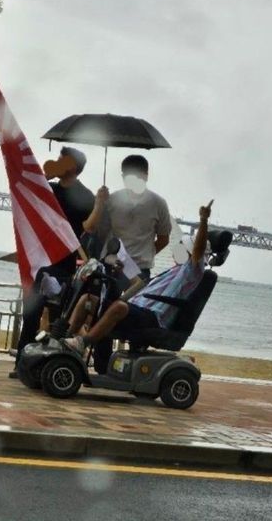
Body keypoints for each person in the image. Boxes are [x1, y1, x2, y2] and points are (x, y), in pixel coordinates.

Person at [64, 200, 213, 357]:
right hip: (138, 310)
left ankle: (83, 343)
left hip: (153, 317)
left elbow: (198, 250)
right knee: (88, 300)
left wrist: (203, 220)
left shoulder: (190, 272)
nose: (178, 248)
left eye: (182, 245)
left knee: (119, 307)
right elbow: (140, 286)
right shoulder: (172, 271)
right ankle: (65, 340)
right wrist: (122, 270)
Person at [11, 148, 95, 376]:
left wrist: (100, 203)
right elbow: (25, 193)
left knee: (58, 319)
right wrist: (45, 177)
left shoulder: (86, 197)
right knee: (30, 315)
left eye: (61, 160)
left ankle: (50, 366)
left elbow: (90, 228)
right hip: (39, 262)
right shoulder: (49, 189)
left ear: (72, 166)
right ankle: (22, 365)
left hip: (63, 264)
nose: (56, 162)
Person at [82, 154, 172, 286]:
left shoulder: (158, 204)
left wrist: (145, 255)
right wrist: (99, 204)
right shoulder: (112, 199)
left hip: (139, 270)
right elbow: (89, 228)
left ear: (146, 176)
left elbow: (164, 239)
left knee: (133, 300)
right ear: (123, 177)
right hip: (111, 265)